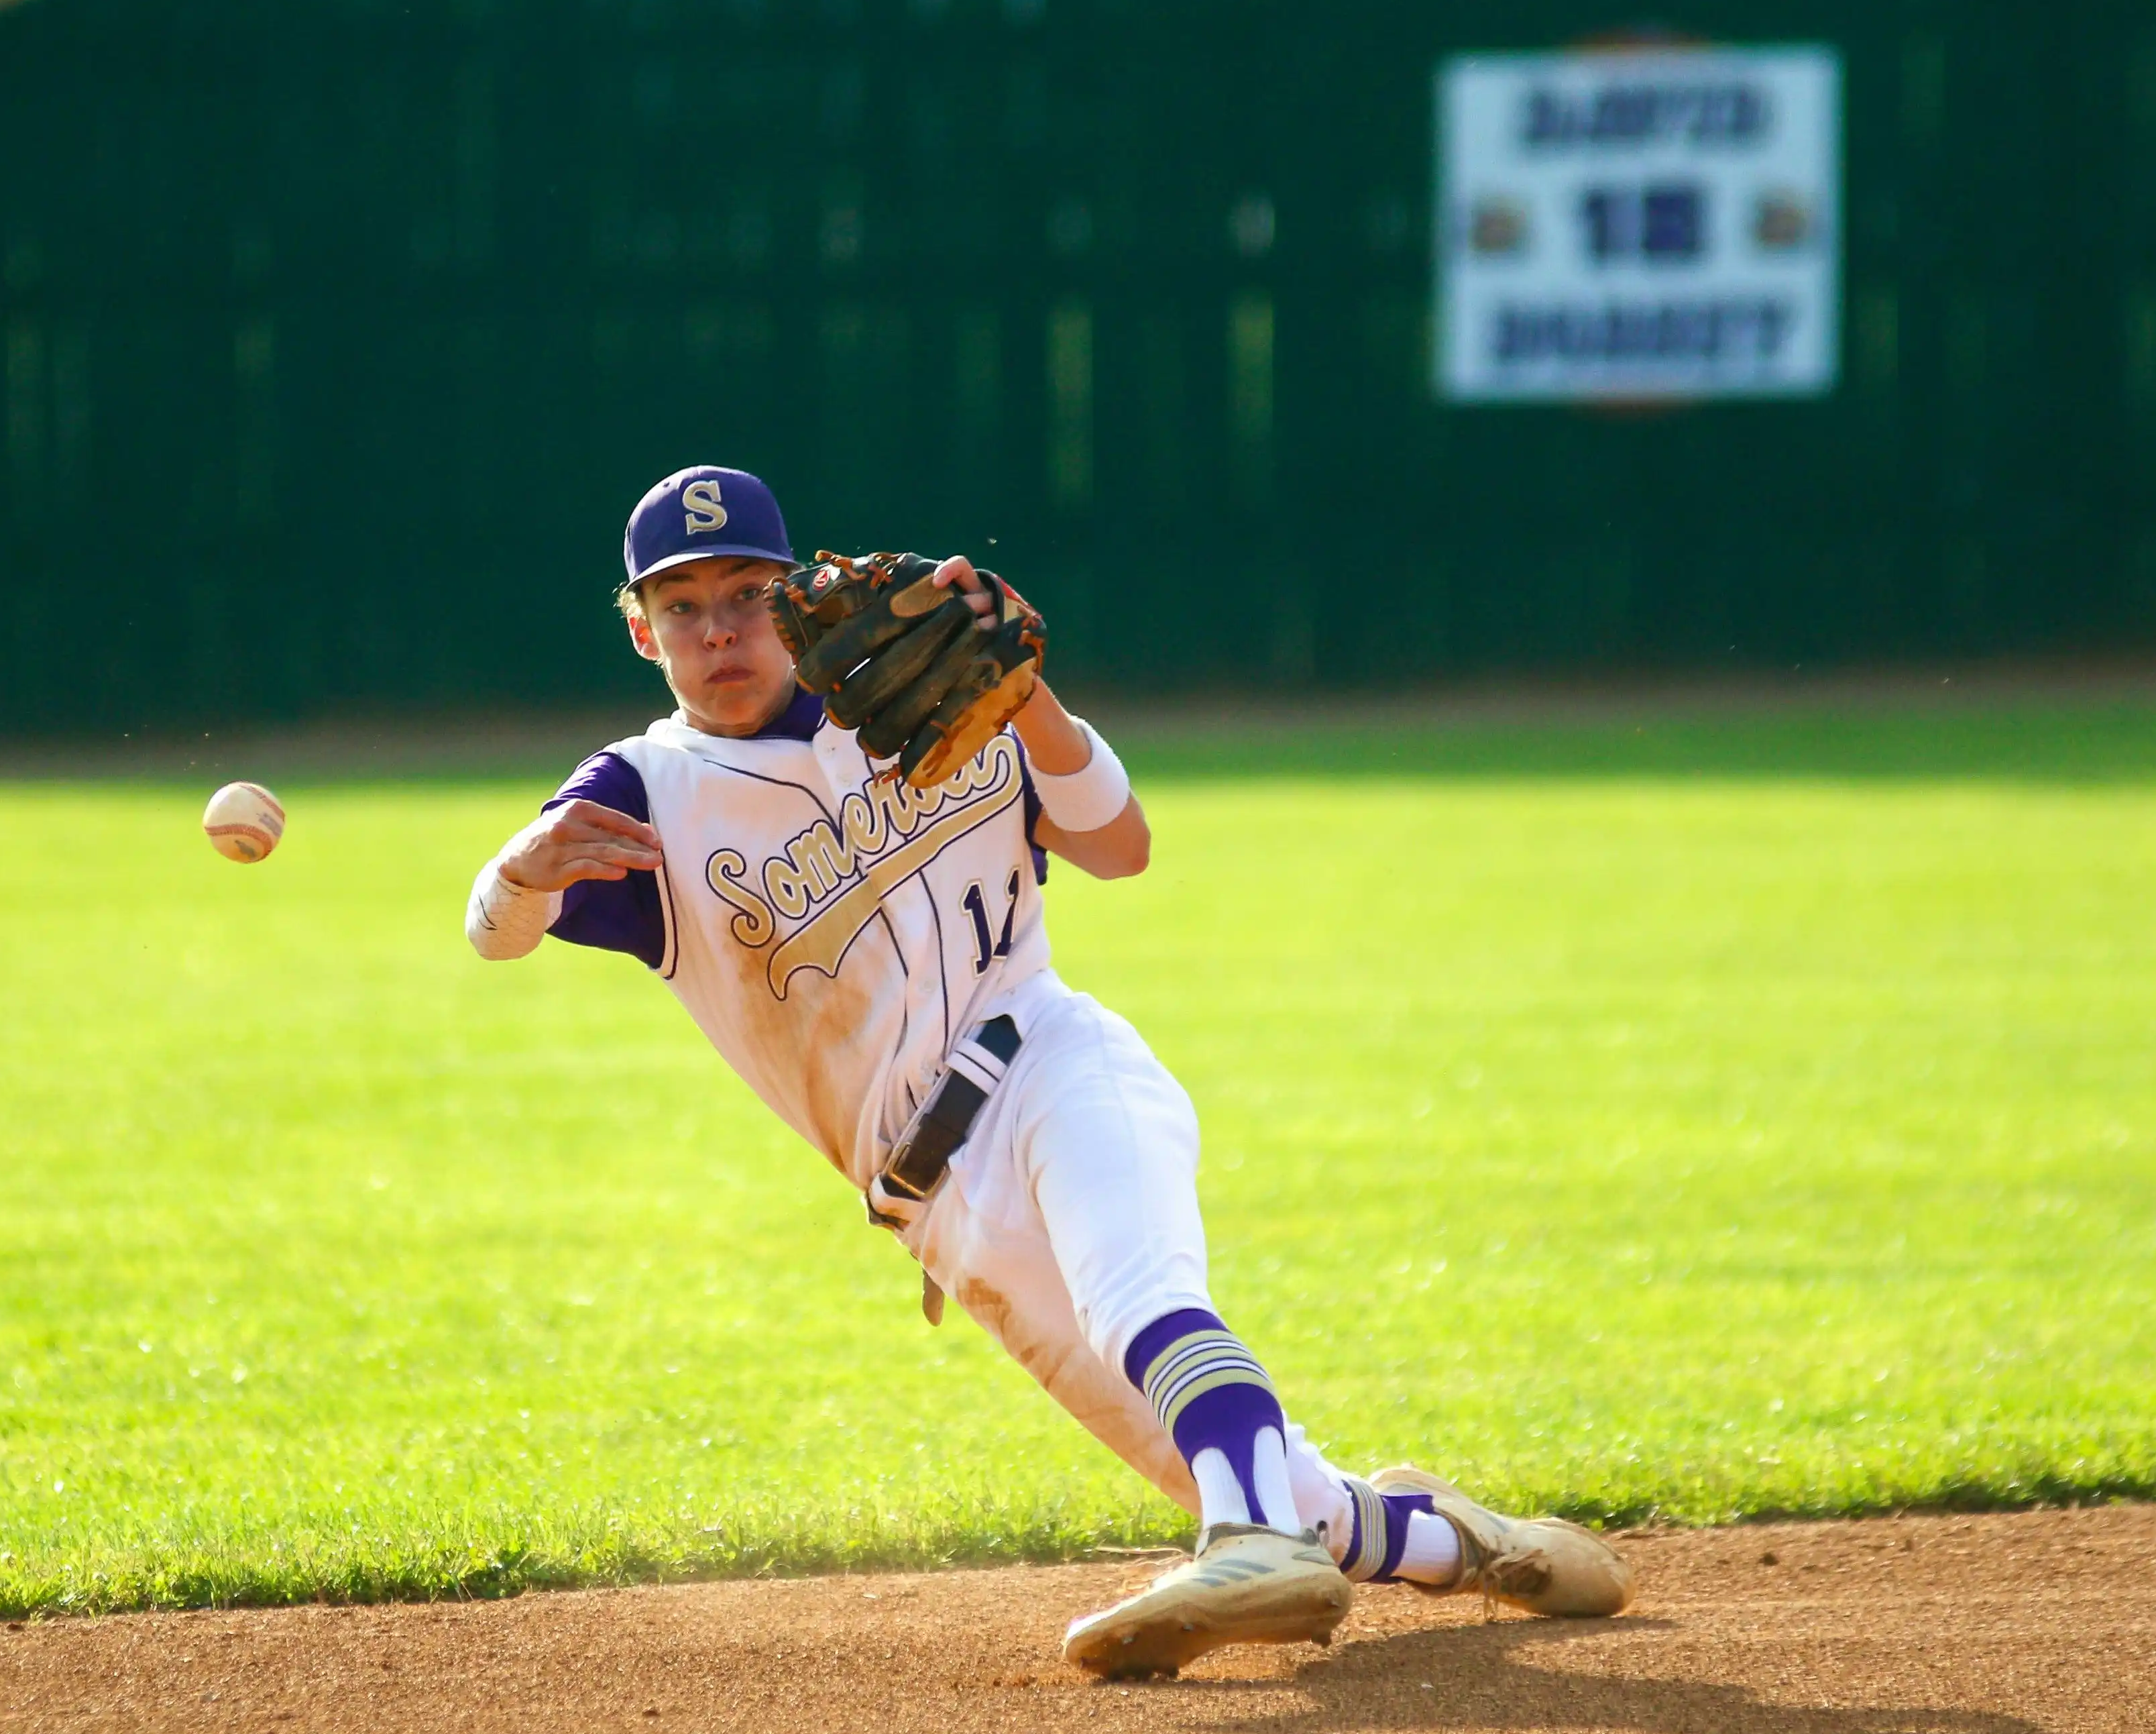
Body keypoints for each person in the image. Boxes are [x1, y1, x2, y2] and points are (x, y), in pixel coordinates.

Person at [463, 464, 1632, 1673]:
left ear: (797, 592)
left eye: (748, 593)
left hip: (1052, 1062)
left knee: (1144, 1305)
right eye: (685, 603)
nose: (720, 629)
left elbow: (1120, 846)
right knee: (1272, 1479)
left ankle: (1246, 1538)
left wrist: (1031, 701)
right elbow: (493, 930)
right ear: (643, 627)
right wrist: (526, 866)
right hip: (941, 1214)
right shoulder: (643, 794)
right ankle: (1464, 1544)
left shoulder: (924, 695)